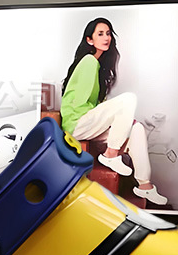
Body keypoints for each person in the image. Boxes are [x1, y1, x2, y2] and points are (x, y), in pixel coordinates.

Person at [61, 18, 167, 206]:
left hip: (88, 123)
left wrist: (121, 122)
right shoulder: (88, 62)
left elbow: (96, 105)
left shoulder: (98, 66)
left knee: (137, 128)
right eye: (100, 34)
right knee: (128, 99)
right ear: (89, 40)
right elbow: (78, 105)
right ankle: (111, 154)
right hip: (76, 123)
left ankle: (144, 185)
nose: (106, 38)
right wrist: (112, 119)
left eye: (108, 33)